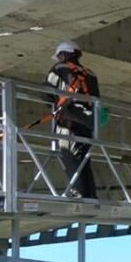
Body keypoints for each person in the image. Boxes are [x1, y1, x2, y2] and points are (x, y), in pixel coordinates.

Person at [45, 41, 100, 199]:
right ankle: (91, 196)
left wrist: (54, 103)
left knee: (69, 156)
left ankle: (79, 195)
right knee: (84, 161)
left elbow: (46, 91)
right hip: (88, 123)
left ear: (64, 54)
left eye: (60, 56)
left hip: (68, 122)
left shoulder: (59, 68)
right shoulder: (91, 74)